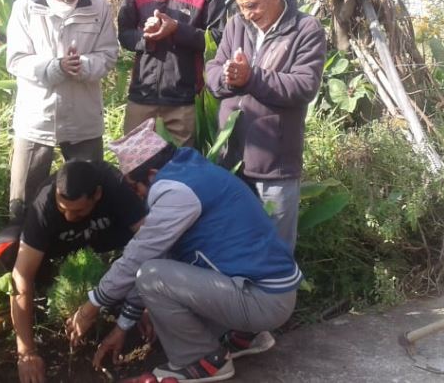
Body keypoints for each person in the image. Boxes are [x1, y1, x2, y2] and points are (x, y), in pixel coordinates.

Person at [65, 119, 302, 383]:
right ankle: (245, 336)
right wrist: (123, 324)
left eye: (136, 187)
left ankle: (201, 360)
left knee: (151, 275)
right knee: (158, 273)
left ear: (152, 175)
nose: (138, 195)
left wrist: (93, 304)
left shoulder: (176, 192)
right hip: (270, 292)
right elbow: (162, 252)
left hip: (263, 301)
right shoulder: (191, 171)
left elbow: (140, 257)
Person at [204, 0, 326, 252]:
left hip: (275, 166)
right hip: (232, 161)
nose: (248, 13)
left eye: (254, 5)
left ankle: (276, 299)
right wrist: (227, 78)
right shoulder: (237, 25)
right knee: (233, 244)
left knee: (274, 250)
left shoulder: (305, 29)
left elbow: (303, 86)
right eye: (242, 6)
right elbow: (213, 70)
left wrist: (251, 78)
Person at [6, 0, 118, 221]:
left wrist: (82, 65)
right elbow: (16, 60)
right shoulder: (26, 7)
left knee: (89, 193)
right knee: (23, 199)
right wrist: (55, 67)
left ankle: (84, 255)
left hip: (83, 117)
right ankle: (24, 253)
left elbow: (108, 55)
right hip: (37, 118)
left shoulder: (99, 6)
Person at [8, 160, 147, 383]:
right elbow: (21, 276)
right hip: (63, 245)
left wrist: (146, 302)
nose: (69, 217)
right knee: (8, 245)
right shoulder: (44, 203)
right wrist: (26, 352)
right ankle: (48, 286)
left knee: (146, 236)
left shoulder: (114, 185)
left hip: (105, 237)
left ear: (97, 194)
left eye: (78, 210)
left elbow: (153, 242)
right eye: (63, 209)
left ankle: (117, 289)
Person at [118, 0, 226, 146]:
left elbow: (217, 38)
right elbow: (124, 33)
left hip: (185, 99)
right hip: (142, 95)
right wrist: (146, 37)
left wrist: (177, 29)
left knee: (182, 173)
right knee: (134, 170)